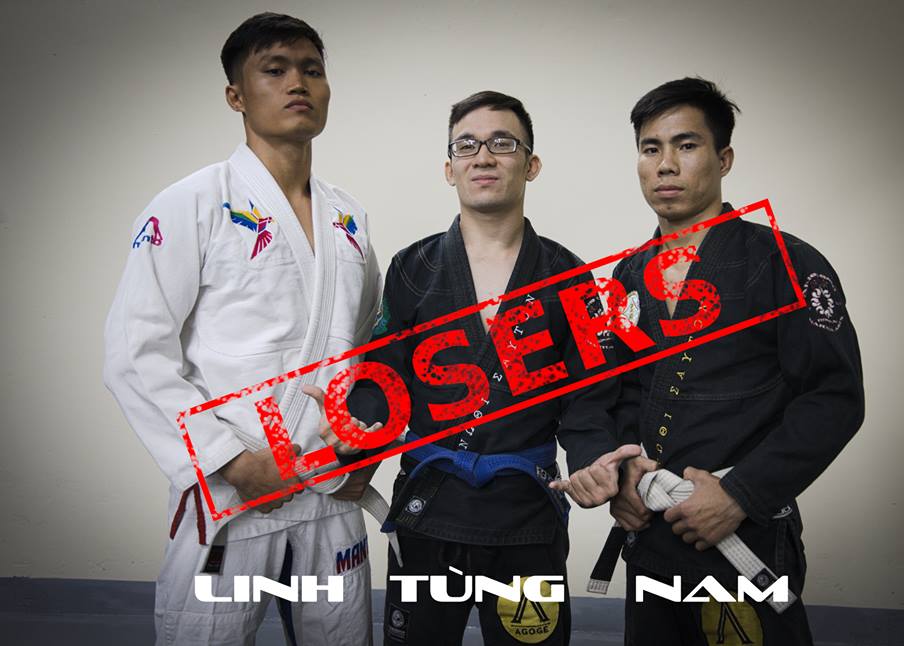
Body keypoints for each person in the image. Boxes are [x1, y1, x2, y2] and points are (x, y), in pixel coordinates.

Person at [103, 13, 381, 645]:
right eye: (274, 70)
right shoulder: (192, 203)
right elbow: (134, 353)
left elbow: (365, 346)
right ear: (237, 96)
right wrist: (226, 460)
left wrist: (361, 445)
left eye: (312, 70)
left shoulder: (349, 216)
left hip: (329, 488)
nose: (298, 83)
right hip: (235, 488)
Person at [333, 90, 636, 646]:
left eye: (502, 143)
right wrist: (355, 436)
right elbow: (385, 378)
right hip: (430, 502)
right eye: (466, 145)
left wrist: (593, 462)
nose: (484, 156)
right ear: (449, 169)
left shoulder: (570, 278)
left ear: (531, 164)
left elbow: (589, 397)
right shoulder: (413, 267)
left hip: (525, 513)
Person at [592, 77, 865, 645]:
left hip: (744, 534)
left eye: (686, 145)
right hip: (652, 536)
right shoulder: (628, 276)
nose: (666, 164)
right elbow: (623, 393)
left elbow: (834, 398)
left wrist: (741, 493)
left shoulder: (785, 262)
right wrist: (624, 474)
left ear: (724, 159)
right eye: (650, 148)